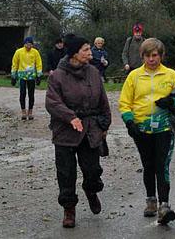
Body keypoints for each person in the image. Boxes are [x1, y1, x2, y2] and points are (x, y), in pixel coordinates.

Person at [45, 33, 111, 228]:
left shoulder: (93, 73)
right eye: (86, 49)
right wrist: (70, 117)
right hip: (65, 131)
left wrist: (104, 124)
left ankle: (91, 191)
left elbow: (103, 101)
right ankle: (69, 209)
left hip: (90, 129)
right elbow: (52, 102)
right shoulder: (57, 76)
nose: (90, 52)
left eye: (90, 48)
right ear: (74, 53)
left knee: (92, 170)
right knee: (66, 173)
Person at [118, 38, 175, 225]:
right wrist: (129, 122)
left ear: (161, 55)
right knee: (148, 165)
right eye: (147, 56)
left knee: (161, 165)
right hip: (141, 128)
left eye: (154, 55)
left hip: (164, 128)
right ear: (142, 56)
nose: (151, 59)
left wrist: (171, 102)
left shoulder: (170, 75)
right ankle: (151, 201)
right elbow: (124, 103)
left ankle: (164, 205)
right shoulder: (134, 76)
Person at [11, 36, 43, 120]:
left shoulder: (35, 52)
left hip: (31, 76)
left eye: (30, 44)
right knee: (22, 94)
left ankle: (30, 111)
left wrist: (39, 75)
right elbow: (15, 63)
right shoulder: (19, 52)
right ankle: (23, 111)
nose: (29, 46)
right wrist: (13, 76)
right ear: (24, 44)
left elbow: (38, 63)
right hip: (22, 76)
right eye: (27, 44)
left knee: (31, 95)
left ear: (32, 45)